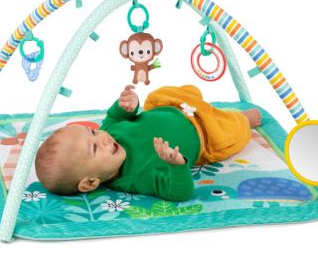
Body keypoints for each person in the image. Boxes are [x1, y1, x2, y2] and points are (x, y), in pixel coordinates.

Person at [35, 85, 261, 202]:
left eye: (92, 132)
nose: (102, 137)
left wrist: (126, 106)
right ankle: (244, 119)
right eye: (94, 148)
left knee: (159, 94)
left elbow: (115, 117)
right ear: (90, 182)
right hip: (207, 135)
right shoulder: (135, 178)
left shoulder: (108, 133)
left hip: (175, 106)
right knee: (232, 130)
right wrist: (176, 165)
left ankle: (207, 107)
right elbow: (179, 193)